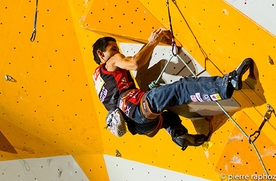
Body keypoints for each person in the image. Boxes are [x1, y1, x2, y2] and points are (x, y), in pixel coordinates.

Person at [92, 27, 253, 150]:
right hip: (140, 105)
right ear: (101, 54)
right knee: (181, 88)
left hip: (140, 125)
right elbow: (134, 63)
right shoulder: (111, 62)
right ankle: (227, 83)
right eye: (113, 49)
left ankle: (177, 133)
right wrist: (153, 41)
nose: (117, 52)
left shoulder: (99, 82)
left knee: (168, 117)